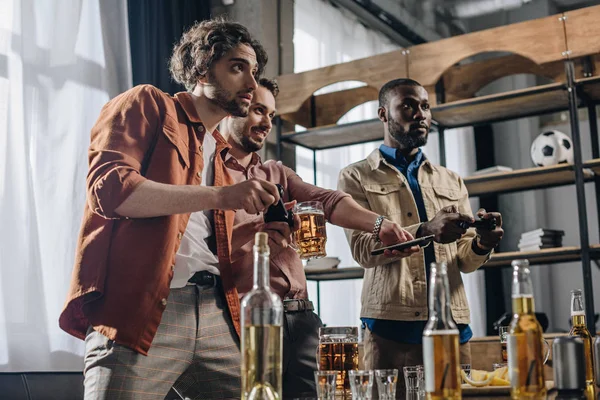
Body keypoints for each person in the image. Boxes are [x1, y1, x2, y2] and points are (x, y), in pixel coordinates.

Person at [59, 19, 282, 400]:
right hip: (143, 311)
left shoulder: (222, 154)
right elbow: (111, 191)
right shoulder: (147, 103)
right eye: (236, 67)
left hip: (216, 311)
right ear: (200, 68)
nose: (250, 83)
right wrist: (220, 196)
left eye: (254, 71)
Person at [219, 78, 419, 399]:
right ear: (233, 109)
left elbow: (326, 200)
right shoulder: (208, 175)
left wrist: (379, 223)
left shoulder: (277, 172)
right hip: (245, 316)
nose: (267, 122)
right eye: (259, 110)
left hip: (301, 317)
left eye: (272, 114)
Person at [337, 78, 504, 399]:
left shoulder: (451, 179)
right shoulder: (356, 176)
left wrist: (484, 242)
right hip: (391, 331)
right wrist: (426, 230)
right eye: (408, 106)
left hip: (453, 328)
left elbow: (465, 260)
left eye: (425, 106)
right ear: (384, 114)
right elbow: (363, 250)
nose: (420, 114)